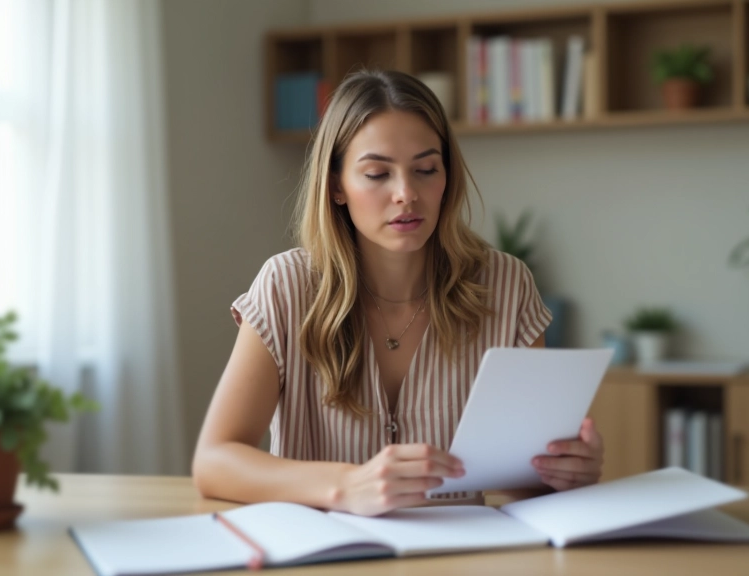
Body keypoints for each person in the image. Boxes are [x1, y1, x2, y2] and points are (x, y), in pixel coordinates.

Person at [193, 69, 603, 517]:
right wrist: (345, 486)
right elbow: (214, 462)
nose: (406, 194)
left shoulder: (505, 287)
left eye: (426, 169)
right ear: (336, 186)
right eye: (376, 174)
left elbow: (522, 482)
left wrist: (563, 473)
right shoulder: (286, 287)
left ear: (447, 176)